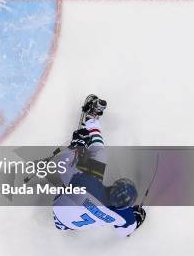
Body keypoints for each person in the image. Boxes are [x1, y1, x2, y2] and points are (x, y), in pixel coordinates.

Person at [52, 95, 146, 236]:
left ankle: (91, 120)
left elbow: (62, 166)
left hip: (60, 207)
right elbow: (126, 230)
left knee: (99, 156)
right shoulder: (124, 216)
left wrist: (75, 146)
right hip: (66, 225)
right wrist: (138, 217)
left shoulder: (90, 186)